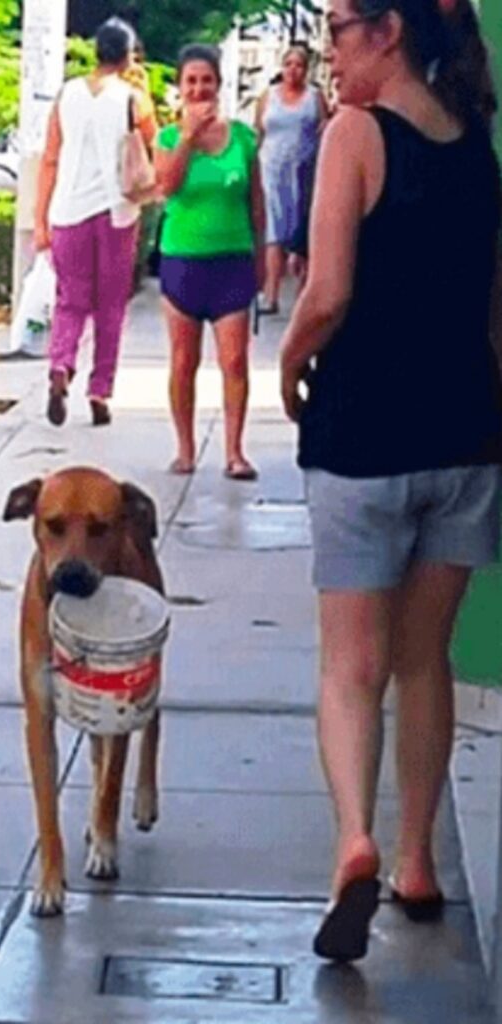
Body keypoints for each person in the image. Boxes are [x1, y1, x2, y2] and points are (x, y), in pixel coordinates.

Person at [279, 0, 501, 963]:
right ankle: (416, 860)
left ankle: (351, 843)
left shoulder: (354, 135)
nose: (327, 48)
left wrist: (286, 362)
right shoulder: (473, 144)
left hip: (361, 437)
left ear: (387, 32)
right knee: (425, 663)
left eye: (337, 27)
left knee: (349, 667)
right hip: (464, 439)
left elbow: (325, 293)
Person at [35, 18, 156, 428]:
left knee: (70, 299)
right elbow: (153, 146)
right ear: (128, 55)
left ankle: (61, 364)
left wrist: (40, 221)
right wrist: (144, 92)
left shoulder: (65, 95)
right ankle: (99, 391)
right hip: (117, 212)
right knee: (110, 306)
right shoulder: (132, 98)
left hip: (67, 211)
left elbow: (50, 158)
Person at [154, 45, 266, 479]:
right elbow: (167, 185)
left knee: (234, 360)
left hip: (232, 262)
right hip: (183, 261)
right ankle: (185, 449)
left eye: (207, 80)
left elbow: (256, 201)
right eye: (191, 81)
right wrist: (187, 138)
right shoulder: (166, 138)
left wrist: (261, 259)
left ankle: (234, 452)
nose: (199, 89)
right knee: (184, 361)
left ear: (219, 85)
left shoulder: (242, 138)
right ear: (181, 88)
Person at [255, 45, 328, 314]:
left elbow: (326, 129)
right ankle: (270, 295)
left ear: (306, 69)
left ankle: (301, 297)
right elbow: (258, 132)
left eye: (298, 65)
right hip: (271, 169)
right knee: (273, 234)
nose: (293, 70)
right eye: (288, 64)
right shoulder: (268, 97)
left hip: (303, 172)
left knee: (301, 234)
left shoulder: (315, 97)